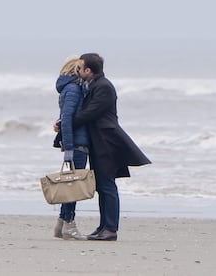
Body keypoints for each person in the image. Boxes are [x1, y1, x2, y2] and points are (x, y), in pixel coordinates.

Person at [74, 53, 151, 241]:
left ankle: (110, 229)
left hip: (107, 141)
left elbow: (91, 113)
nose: (77, 71)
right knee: (101, 185)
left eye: (80, 68)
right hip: (99, 141)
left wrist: (67, 122)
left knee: (107, 185)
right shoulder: (92, 85)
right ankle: (103, 226)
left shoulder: (104, 87)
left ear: (88, 70)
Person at [53, 56, 90, 240]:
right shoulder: (74, 89)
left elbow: (64, 116)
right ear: (76, 69)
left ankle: (61, 224)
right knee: (73, 186)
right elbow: (67, 118)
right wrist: (68, 148)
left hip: (73, 144)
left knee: (69, 184)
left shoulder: (69, 88)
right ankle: (70, 225)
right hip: (76, 145)